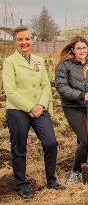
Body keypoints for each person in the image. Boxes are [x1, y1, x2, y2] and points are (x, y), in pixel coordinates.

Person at [3, 26, 65, 199]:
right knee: (19, 148)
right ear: (15, 41)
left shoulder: (38, 60)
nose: (24, 42)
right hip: (17, 110)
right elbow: (10, 90)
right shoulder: (10, 62)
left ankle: (51, 180)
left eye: (27, 39)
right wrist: (31, 107)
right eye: (20, 39)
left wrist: (41, 105)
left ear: (32, 40)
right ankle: (22, 185)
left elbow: (45, 85)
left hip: (40, 108)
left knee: (50, 143)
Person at [55, 36, 88, 185]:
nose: (82, 51)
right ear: (73, 50)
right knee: (85, 140)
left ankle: (81, 172)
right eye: (78, 48)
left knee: (84, 140)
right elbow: (62, 87)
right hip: (72, 107)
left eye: (84, 48)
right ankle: (74, 171)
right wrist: (82, 95)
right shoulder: (64, 66)